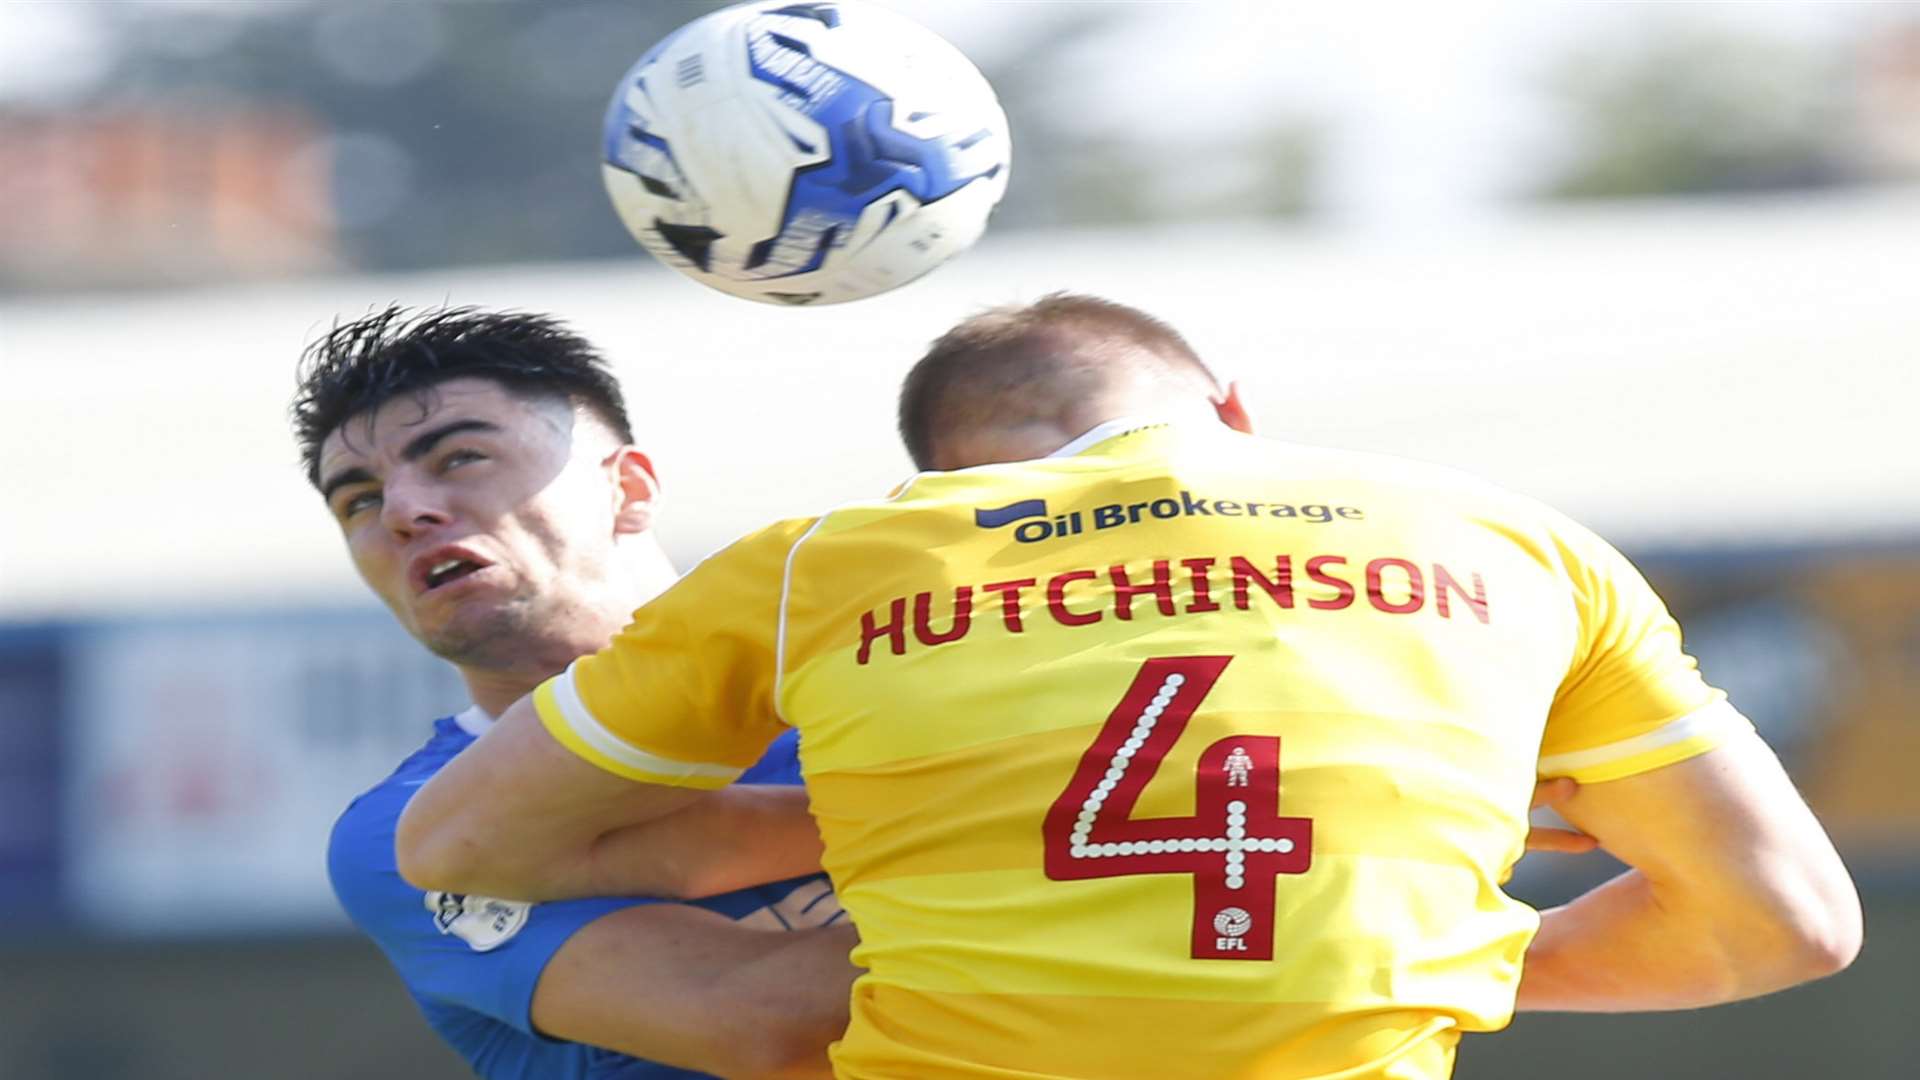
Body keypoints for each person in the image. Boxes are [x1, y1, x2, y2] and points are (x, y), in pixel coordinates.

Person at [396, 294, 1861, 1079]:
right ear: (1230, 411)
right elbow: (1787, 924)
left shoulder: (834, 563)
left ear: (944, 485)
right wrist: (1429, 947)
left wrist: (927, 816)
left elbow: (460, 846)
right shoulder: (1507, 541)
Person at [294, 306, 860, 1080]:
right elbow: (763, 1022)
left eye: (458, 457)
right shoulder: (407, 831)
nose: (401, 512)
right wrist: (1020, 849)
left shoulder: (862, 678)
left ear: (627, 488)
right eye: (357, 500)